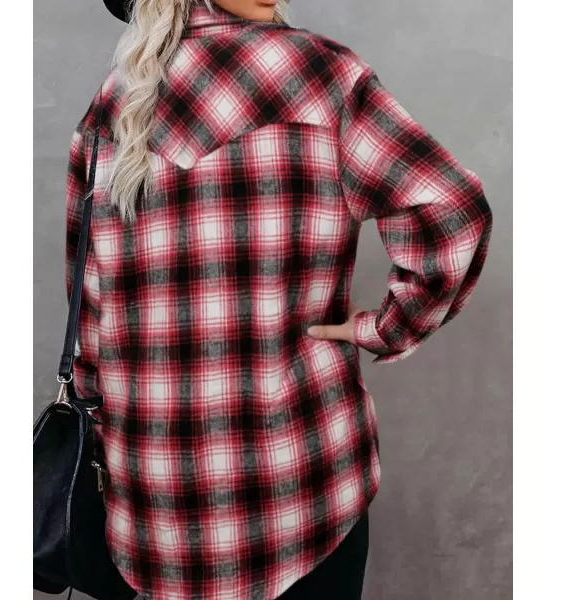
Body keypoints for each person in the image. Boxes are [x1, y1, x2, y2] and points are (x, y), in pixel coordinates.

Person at [64, 0, 493, 599]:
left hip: (156, 503)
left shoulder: (112, 105)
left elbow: (89, 316)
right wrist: (385, 328)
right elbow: (452, 212)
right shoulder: (322, 76)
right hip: (304, 487)